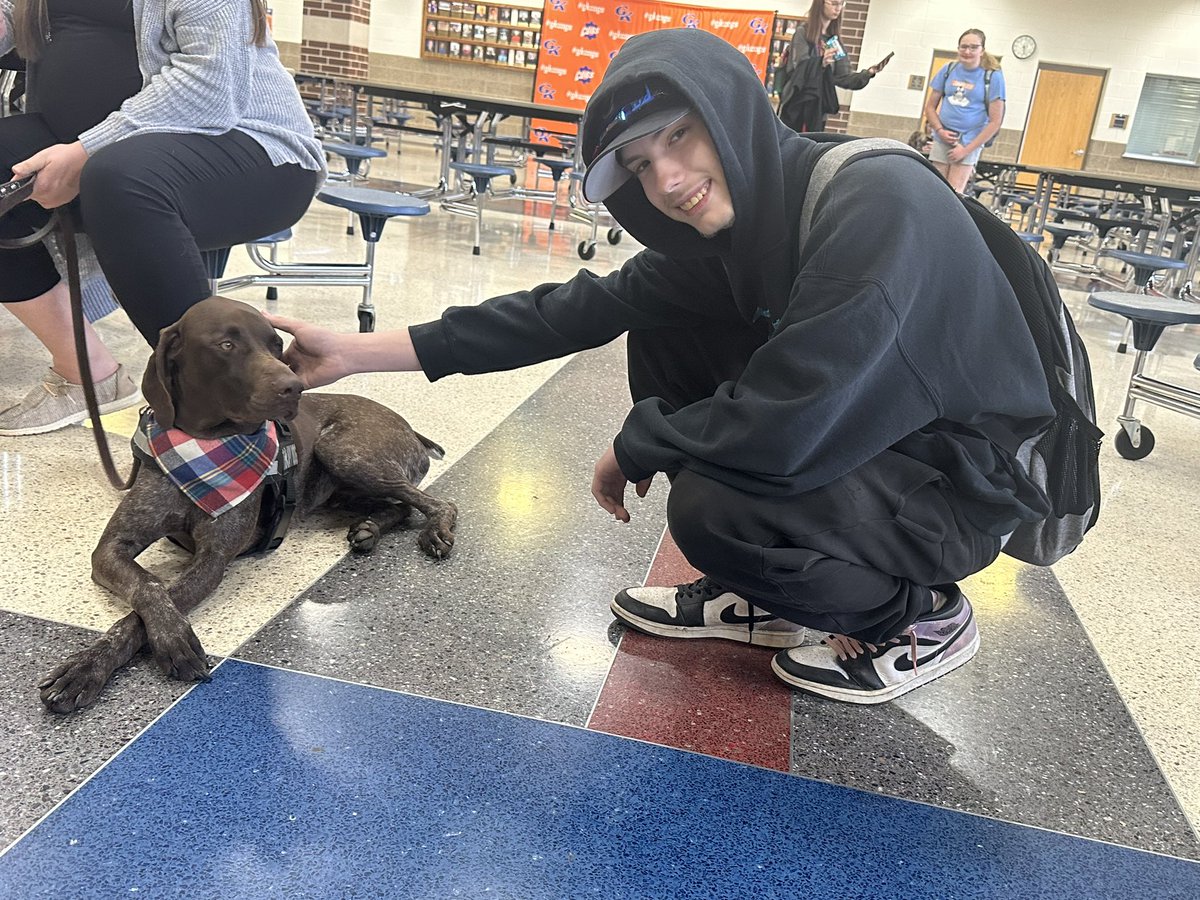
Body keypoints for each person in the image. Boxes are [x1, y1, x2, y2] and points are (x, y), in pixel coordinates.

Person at [267, 28, 1055, 705]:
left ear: (732, 112)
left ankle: (919, 616)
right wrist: (354, 353)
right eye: (641, 165)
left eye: (680, 136)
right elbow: (566, 311)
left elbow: (787, 424)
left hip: (966, 482)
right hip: (885, 448)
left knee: (717, 510)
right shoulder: (734, 235)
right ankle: (770, 602)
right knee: (662, 329)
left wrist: (641, 441)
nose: (667, 181)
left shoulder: (875, 204)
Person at [0, 0, 326, 436]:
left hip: (251, 145)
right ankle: (87, 372)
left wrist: (86, 150)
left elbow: (210, 87)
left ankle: (221, 425)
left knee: (119, 177)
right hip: (99, 147)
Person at [777, 0, 890, 134]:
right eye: (834, 3)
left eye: (841, 4)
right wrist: (821, 62)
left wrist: (868, 73)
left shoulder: (833, 41)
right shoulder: (803, 33)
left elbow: (843, 76)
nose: (838, 8)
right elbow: (799, 67)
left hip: (818, 108)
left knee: (812, 146)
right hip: (797, 106)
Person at [923, 29, 1005, 194]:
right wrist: (939, 130)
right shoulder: (948, 69)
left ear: (982, 50)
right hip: (942, 137)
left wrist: (966, 149)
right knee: (934, 190)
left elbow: (995, 121)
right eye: (964, 47)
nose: (967, 51)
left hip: (968, 141)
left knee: (954, 192)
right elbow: (930, 107)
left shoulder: (992, 77)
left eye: (973, 47)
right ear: (958, 48)